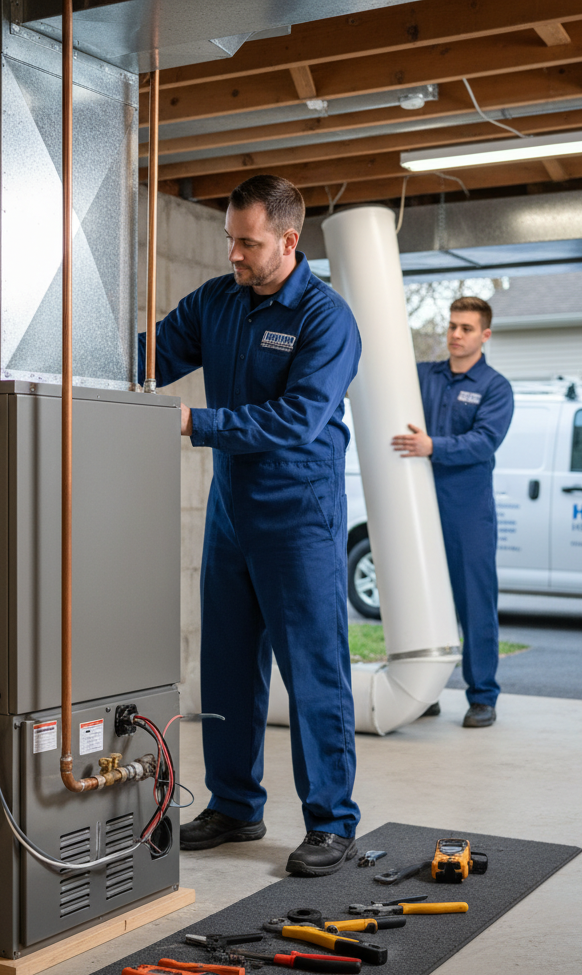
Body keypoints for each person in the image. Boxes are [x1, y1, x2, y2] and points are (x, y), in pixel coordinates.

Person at [138, 175, 362, 875]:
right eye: (230, 239)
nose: (234, 253)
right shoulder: (217, 302)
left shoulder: (326, 319)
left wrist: (194, 422)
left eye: (249, 243)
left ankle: (332, 822)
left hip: (300, 513)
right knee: (228, 665)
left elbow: (299, 418)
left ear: (289, 242)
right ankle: (236, 805)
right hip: (231, 508)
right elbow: (149, 357)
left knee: (313, 670)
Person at [391, 297, 514, 727]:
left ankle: (482, 697)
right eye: (452, 326)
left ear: (485, 335)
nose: (456, 334)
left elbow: (484, 442)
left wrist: (432, 447)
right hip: (418, 505)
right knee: (421, 598)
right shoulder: (424, 375)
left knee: (474, 605)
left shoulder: (495, 387)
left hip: (467, 512)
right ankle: (424, 690)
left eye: (466, 328)